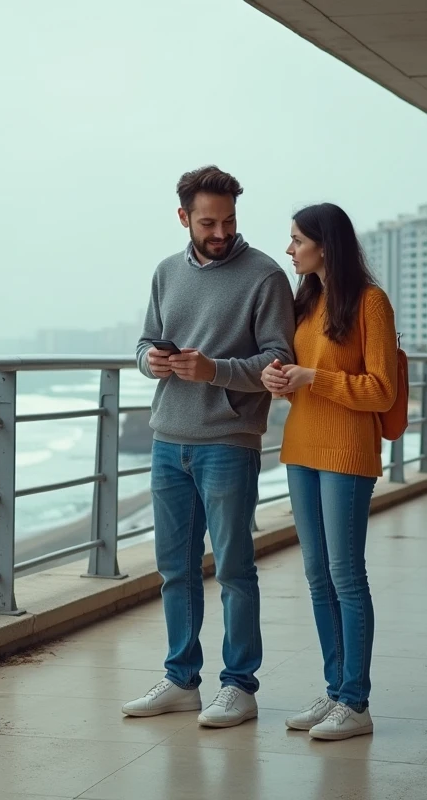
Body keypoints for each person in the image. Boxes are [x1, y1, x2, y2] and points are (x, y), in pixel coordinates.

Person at [121, 166, 295, 728]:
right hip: (168, 439)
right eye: (208, 223)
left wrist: (212, 369)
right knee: (175, 570)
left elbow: (278, 360)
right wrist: (150, 360)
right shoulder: (166, 272)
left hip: (228, 442)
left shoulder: (265, 275)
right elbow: (144, 342)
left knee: (235, 569)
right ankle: (181, 680)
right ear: (183, 218)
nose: (221, 232)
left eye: (229, 221)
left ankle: (239, 687)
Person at [260, 203, 397, 741]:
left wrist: (314, 377)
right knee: (318, 577)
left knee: (346, 575)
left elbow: (381, 390)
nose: (289, 249)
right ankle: (336, 689)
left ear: (325, 244)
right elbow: (300, 379)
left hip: (346, 453)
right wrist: (281, 380)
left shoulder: (371, 303)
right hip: (301, 449)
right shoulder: (306, 301)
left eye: (297, 240)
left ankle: (356, 702)